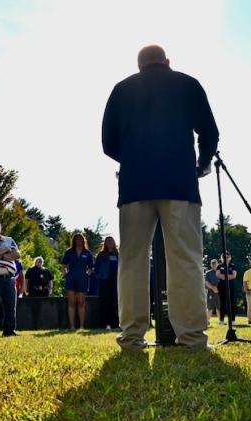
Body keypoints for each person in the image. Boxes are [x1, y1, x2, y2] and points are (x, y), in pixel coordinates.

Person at [102, 45, 219, 351]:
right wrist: (202, 164)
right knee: (186, 260)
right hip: (179, 182)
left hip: (134, 186)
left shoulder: (121, 89)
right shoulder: (187, 83)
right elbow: (210, 131)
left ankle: (132, 337)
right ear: (168, 62)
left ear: (138, 65)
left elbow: (107, 142)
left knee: (131, 262)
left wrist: (132, 158)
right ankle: (192, 338)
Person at [61, 233, 94, 329]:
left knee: (81, 302)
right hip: (71, 279)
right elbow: (63, 265)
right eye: (77, 239)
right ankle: (72, 326)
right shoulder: (69, 252)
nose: (79, 241)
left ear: (83, 241)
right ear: (74, 241)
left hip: (82, 279)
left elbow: (91, 267)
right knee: (71, 302)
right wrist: (66, 274)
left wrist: (87, 274)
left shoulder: (87, 253)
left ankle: (82, 326)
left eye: (81, 239)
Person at [94, 236, 120, 330]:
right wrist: (100, 277)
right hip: (104, 281)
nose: (109, 242)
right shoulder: (101, 255)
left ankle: (115, 324)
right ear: (105, 243)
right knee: (104, 302)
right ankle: (103, 324)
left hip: (115, 281)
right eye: (107, 241)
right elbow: (96, 268)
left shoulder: (118, 254)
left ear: (114, 242)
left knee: (114, 302)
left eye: (111, 240)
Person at [216, 251, 237, 326]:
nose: (226, 258)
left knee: (232, 303)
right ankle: (221, 320)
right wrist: (228, 276)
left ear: (230, 258)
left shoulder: (233, 266)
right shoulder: (219, 266)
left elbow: (234, 275)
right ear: (222, 258)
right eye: (224, 257)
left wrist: (224, 276)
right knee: (222, 304)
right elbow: (218, 275)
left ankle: (233, 320)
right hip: (222, 287)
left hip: (231, 287)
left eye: (228, 257)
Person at [204, 259, 221, 324]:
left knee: (219, 307)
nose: (214, 265)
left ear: (217, 264)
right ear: (211, 265)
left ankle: (221, 321)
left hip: (219, 292)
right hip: (211, 292)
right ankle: (206, 321)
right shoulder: (208, 273)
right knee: (209, 307)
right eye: (213, 264)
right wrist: (213, 288)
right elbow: (206, 283)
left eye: (215, 263)